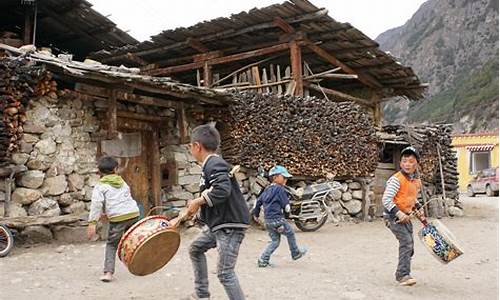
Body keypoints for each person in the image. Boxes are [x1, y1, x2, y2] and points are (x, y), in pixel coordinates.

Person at [170, 124, 250, 300]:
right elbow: (214, 193)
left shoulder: (214, 163)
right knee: (196, 249)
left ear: (197, 146)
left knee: (225, 273)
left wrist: (198, 201)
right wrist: (195, 212)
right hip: (218, 224)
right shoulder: (212, 165)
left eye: (190, 146)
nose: (191, 149)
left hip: (229, 225)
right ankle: (201, 293)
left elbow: (222, 190)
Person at [87, 156, 140, 282]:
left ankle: (108, 273)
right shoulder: (122, 182)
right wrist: (108, 212)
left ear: (99, 172)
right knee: (135, 240)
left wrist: (92, 223)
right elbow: (124, 199)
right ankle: (142, 264)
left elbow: (96, 204)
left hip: (118, 218)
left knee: (112, 244)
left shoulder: (100, 186)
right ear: (116, 169)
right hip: (133, 214)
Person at [382, 146, 425, 286]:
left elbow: (412, 198)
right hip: (392, 217)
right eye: (405, 161)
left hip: (406, 216)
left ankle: (405, 267)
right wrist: (398, 213)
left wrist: (418, 208)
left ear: (416, 164)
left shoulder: (415, 181)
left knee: (409, 246)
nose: (407, 164)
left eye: (411, 161)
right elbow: (386, 199)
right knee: (406, 242)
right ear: (400, 163)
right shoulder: (396, 180)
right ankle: (402, 275)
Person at [253, 165, 307, 267]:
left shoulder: (266, 189)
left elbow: (257, 203)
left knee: (275, 241)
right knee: (290, 233)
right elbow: (286, 206)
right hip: (278, 219)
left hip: (268, 221)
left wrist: (256, 215)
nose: (286, 179)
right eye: (284, 177)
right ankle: (295, 253)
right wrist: (287, 216)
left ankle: (263, 260)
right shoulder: (281, 190)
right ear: (275, 177)